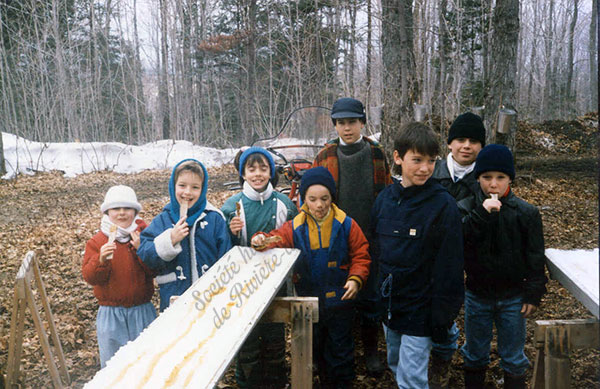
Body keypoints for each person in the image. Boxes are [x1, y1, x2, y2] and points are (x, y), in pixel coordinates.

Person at [251, 167, 371, 388]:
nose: (319, 205)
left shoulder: (346, 224)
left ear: (332, 198)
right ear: (303, 199)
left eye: (325, 198)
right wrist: (261, 240)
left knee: (340, 349)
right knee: (314, 347)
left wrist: (356, 278)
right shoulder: (295, 227)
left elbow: (361, 254)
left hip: (340, 302)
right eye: (313, 199)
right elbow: (274, 239)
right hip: (309, 301)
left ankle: (341, 382)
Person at [370, 122, 464, 388]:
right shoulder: (385, 200)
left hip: (422, 309)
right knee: (396, 364)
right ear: (398, 158)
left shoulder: (442, 205)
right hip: (390, 305)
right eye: (417, 160)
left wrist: (442, 315)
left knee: (412, 378)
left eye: (431, 161)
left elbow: (451, 265)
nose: (425, 168)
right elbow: (375, 252)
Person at [313, 97, 391, 376]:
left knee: (370, 295)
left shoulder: (376, 152)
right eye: (341, 123)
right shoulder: (325, 155)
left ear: (362, 123)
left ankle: (371, 350)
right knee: (338, 295)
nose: (347, 128)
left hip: (370, 234)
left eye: (352, 122)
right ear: (335, 125)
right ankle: (337, 351)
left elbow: (387, 194)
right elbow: (314, 199)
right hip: (336, 237)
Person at [458, 144, 547, 389]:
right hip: (477, 294)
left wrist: (533, 293)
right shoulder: (466, 207)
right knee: (474, 353)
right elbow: (458, 241)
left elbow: (535, 257)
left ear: (510, 179)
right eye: (486, 178)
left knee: (514, 357)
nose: (493, 184)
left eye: (501, 178)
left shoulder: (526, 212)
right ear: (478, 178)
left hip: (513, 297)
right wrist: (482, 215)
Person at [221, 147, 298, 388]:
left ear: (271, 172)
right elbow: (222, 248)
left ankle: (276, 381)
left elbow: (293, 238)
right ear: (243, 173)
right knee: (247, 339)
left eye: (263, 168)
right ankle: (248, 382)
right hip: (243, 285)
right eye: (251, 169)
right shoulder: (232, 206)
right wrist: (231, 233)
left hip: (276, 283)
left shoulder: (284, 203)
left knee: (275, 335)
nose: (257, 174)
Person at [429, 112, 485, 388]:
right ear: (449, 143)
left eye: (474, 141)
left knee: (451, 309)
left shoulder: (486, 179)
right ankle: (429, 356)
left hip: (467, 256)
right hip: (428, 254)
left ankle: (443, 357)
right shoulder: (431, 171)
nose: (466, 146)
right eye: (460, 139)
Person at [137, 159, 232, 311]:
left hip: (210, 299)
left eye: (195, 187)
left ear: (203, 190)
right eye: (182, 185)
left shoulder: (214, 218)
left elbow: (226, 258)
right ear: (173, 186)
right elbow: (145, 254)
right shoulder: (164, 219)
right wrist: (170, 240)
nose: (187, 192)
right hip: (174, 297)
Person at [82, 185, 156, 368]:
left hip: (142, 311)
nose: (122, 213)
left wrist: (142, 251)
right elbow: (90, 277)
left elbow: (154, 270)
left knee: (146, 362)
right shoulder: (97, 241)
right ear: (107, 212)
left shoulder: (143, 236)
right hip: (111, 313)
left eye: (127, 208)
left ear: (135, 211)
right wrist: (101, 260)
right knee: (114, 365)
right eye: (116, 209)